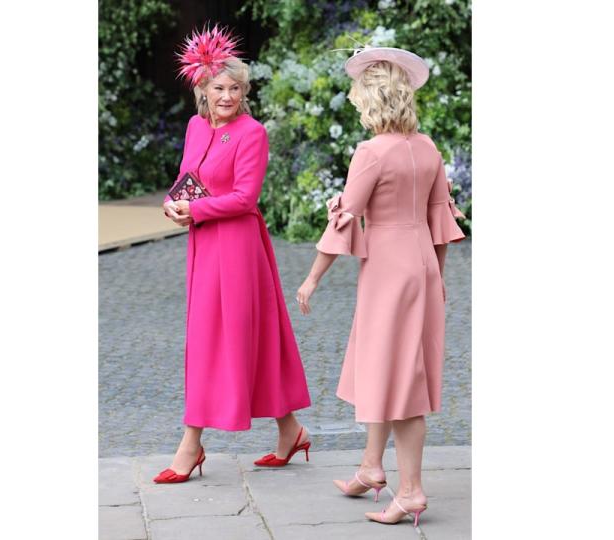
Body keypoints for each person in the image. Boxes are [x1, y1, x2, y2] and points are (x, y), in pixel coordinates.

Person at [295, 47, 466, 525]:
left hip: (389, 271)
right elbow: (442, 224)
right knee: (388, 367)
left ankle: (411, 490)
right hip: (421, 268)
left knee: (400, 378)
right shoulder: (428, 147)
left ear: (372, 101)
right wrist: (437, 279)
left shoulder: (370, 153)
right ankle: (372, 467)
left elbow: (344, 221)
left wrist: (311, 279)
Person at [154, 26, 312, 484]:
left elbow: (245, 198)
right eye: (219, 87)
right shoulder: (195, 126)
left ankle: (191, 444)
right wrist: (174, 204)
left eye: (236, 88)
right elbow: (188, 177)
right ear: (202, 89)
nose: (227, 96)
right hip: (205, 245)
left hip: (240, 248)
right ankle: (291, 431)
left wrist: (195, 209)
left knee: (230, 338)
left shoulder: (252, 132)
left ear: (245, 91)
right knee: (229, 337)